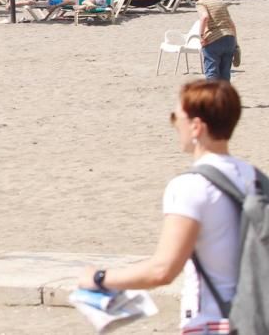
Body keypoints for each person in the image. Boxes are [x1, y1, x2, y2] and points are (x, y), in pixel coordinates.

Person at [78, 81, 260, 335]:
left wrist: (99, 278)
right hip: (258, 318)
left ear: (196, 126)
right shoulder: (256, 178)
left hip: (214, 322)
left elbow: (162, 270)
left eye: (176, 117)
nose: (175, 124)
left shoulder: (191, 186)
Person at [194, 0, 237, 81]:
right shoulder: (221, 2)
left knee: (211, 73)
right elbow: (231, 23)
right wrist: (236, 43)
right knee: (225, 75)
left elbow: (204, 17)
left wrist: (201, 36)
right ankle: (226, 96)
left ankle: (213, 96)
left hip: (214, 39)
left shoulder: (201, 3)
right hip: (229, 38)